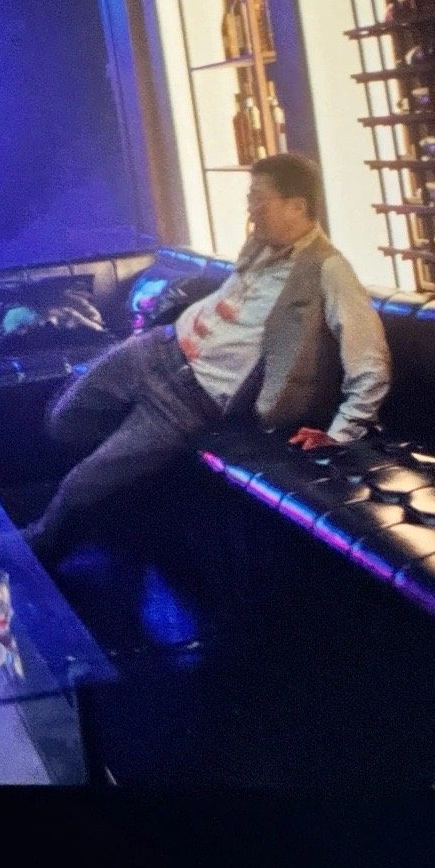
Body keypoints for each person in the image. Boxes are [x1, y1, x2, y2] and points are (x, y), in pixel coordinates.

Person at [22, 152, 391, 561]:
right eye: (250, 197)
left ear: (297, 207)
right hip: (153, 349)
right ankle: (122, 504)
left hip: (186, 402)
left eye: (259, 198)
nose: (251, 208)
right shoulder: (262, 245)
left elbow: (370, 361)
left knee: (82, 484)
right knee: (62, 419)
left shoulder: (329, 270)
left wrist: (341, 433)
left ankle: (30, 550)